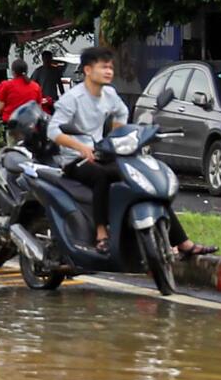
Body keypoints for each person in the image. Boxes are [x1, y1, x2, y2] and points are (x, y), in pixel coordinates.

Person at [47, 46, 211, 257]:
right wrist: (80, 147)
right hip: (74, 160)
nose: (109, 71)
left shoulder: (109, 94)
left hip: (99, 155)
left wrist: (116, 141)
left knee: (145, 181)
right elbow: (53, 130)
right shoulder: (73, 98)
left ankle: (183, 242)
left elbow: (122, 115)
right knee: (101, 177)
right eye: (103, 67)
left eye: (110, 67)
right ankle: (101, 233)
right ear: (88, 70)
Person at [0, 59, 44, 124]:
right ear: (27, 71)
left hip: (11, 123)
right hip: (30, 123)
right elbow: (39, 108)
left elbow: (0, 108)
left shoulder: (6, 85)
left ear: (13, 72)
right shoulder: (36, 86)